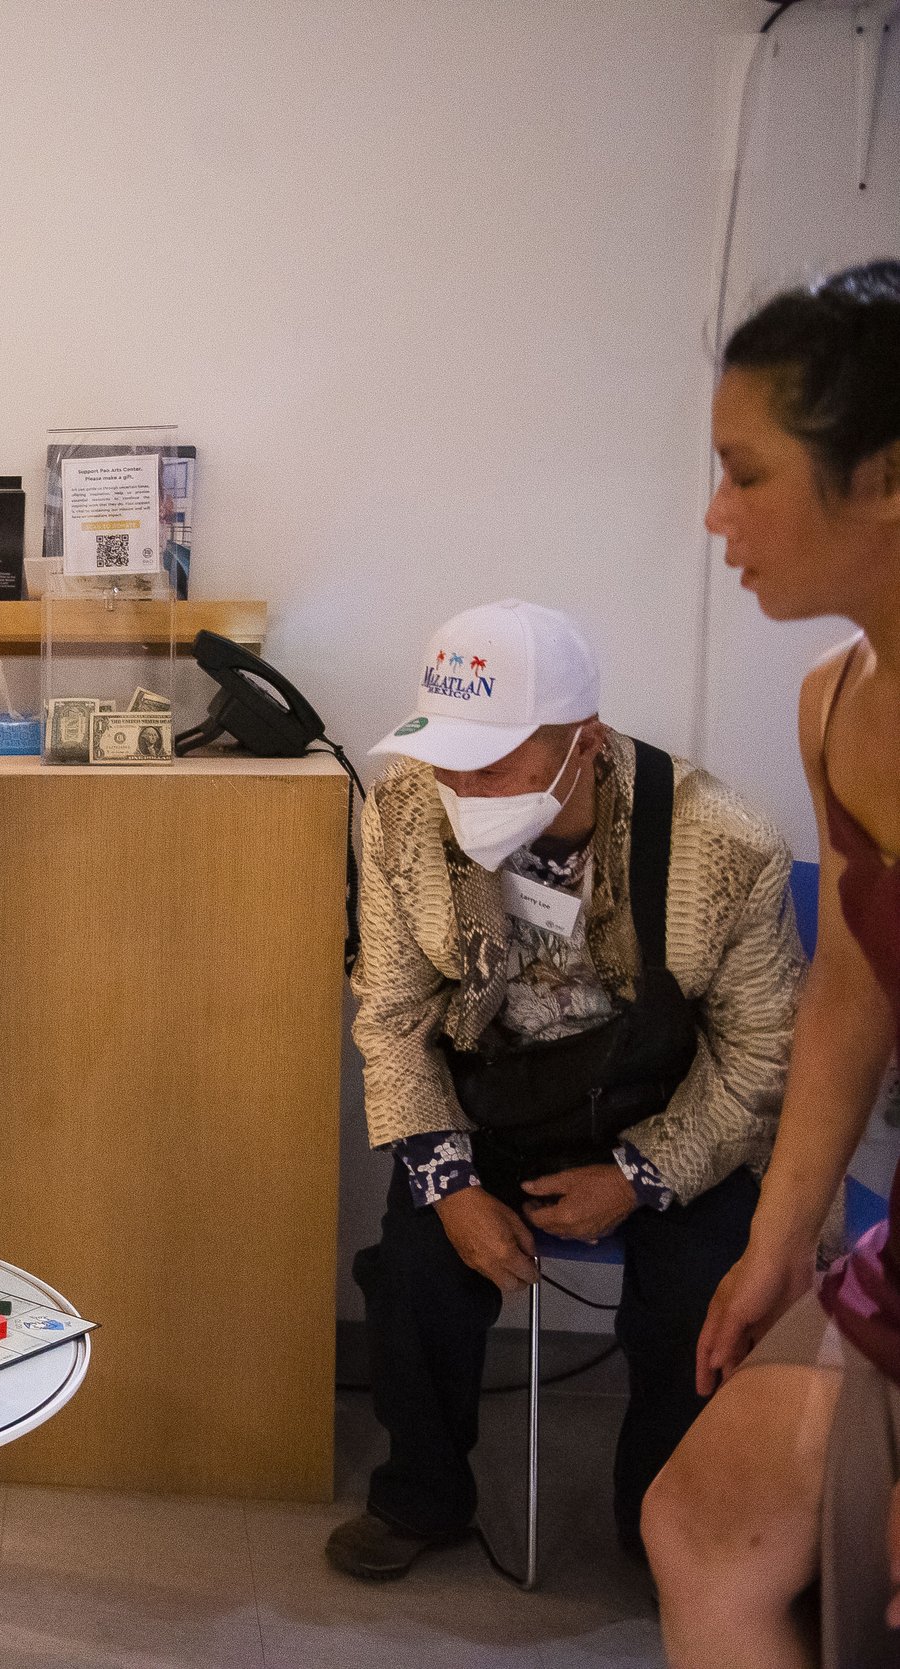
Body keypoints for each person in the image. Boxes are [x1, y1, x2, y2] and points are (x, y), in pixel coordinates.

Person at [329, 597, 800, 1581]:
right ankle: (422, 1492)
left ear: (583, 741)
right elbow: (392, 1013)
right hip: (487, 1106)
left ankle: (661, 1519)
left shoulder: (724, 841)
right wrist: (452, 1186)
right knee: (411, 1274)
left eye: (494, 763)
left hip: (668, 1111)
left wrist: (638, 1175)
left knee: (693, 1303)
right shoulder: (406, 806)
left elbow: (758, 1054)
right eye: (446, 753)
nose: (460, 785)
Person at [643, 261, 900, 1669]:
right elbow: (859, 979)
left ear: (885, 478)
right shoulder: (838, 705)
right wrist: (781, 1234)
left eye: (746, 474)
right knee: (706, 1523)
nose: (714, 515)